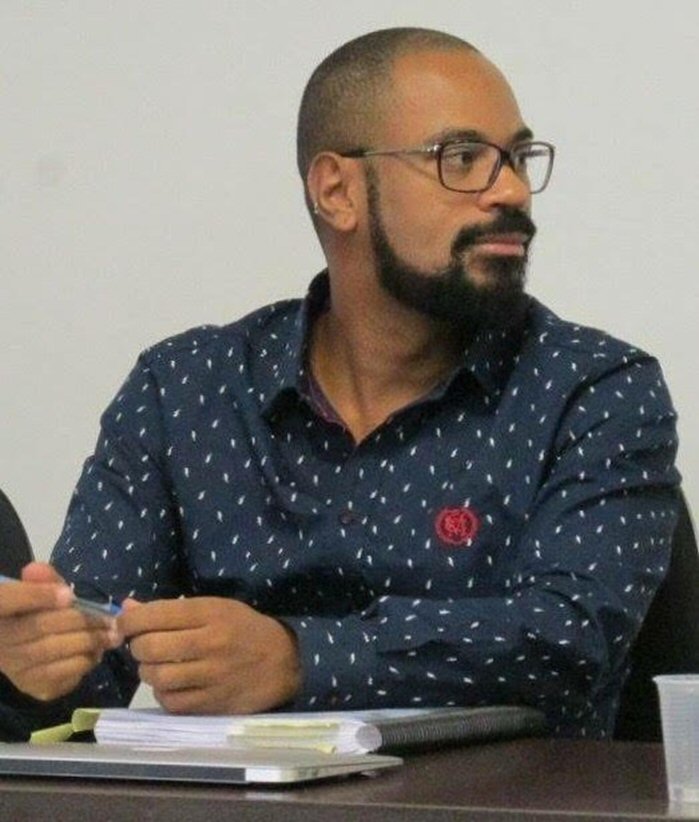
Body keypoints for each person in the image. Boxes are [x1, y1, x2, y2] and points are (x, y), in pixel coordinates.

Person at [0, 27, 681, 740]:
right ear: (337, 190)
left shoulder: (593, 389)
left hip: (507, 794)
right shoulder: (185, 391)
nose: (509, 190)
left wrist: (301, 658)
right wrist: (34, 663)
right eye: (462, 158)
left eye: (517, 157)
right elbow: (92, 660)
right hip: (237, 794)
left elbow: (570, 637)